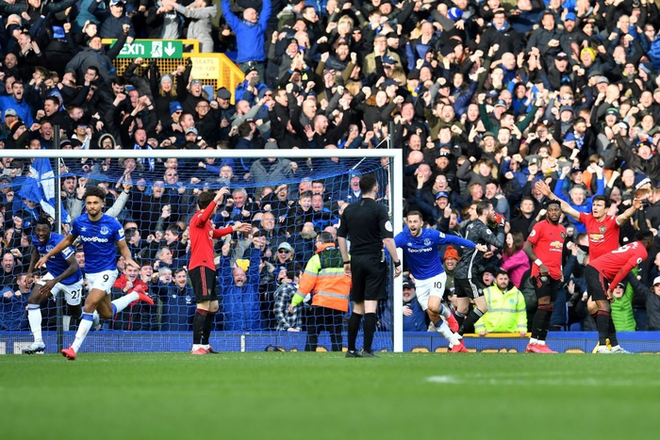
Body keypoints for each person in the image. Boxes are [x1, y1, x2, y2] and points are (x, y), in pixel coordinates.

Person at [36, 187, 154, 360]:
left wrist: (128, 258)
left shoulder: (113, 224)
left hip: (107, 271)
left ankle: (73, 348)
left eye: (95, 203)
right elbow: (67, 241)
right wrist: (48, 254)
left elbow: (124, 248)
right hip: (90, 273)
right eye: (89, 203)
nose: (92, 206)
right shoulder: (79, 223)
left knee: (89, 305)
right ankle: (134, 295)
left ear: (102, 204)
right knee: (106, 313)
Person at [394, 210, 485, 352]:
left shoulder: (431, 235)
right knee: (432, 314)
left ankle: (449, 315)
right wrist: (394, 263)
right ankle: (454, 342)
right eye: (410, 222)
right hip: (420, 282)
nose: (412, 224)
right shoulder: (403, 237)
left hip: (436, 276)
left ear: (421, 223)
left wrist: (474, 245)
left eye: (415, 221)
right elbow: (388, 247)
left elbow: (453, 239)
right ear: (407, 223)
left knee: (434, 306)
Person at [338, 174, 401, 358]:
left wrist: (346, 261)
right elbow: (388, 239)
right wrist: (397, 261)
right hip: (374, 261)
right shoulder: (379, 209)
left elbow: (341, 236)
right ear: (375, 188)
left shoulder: (349, 209)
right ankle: (367, 349)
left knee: (357, 306)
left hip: (356, 260)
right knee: (370, 306)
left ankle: (350, 349)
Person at [188, 188, 251, 354]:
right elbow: (205, 215)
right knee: (203, 305)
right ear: (211, 205)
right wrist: (217, 196)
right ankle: (196, 347)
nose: (218, 207)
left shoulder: (206, 223)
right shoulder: (198, 218)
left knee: (213, 306)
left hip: (208, 266)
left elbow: (214, 233)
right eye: (216, 204)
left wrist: (234, 228)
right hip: (199, 265)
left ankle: (205, 345)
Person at [586, 230, 655, 354]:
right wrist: (611, 288)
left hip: (597, 270)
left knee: (599, 309)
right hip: (599, 271)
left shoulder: (633, 245)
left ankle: (615, 346)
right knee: (604, 307)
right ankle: (602, 346)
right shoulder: (642, 252)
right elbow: (624, 270)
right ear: (649, 241)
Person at [23, 218, 85, 354]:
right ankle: (38, 342)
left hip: (71, 280)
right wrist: (29, 272)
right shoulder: (36, 239)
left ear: (50, 230)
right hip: (53, 275)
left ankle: (94, 317)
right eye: (38, 230)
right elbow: (36, 251)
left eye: (44, 230)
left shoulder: (59, 242)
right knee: (33, 300)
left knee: (76, 313)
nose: (40, 233)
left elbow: (74, 266)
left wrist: (55, 281)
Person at [453, 200, 506, 347]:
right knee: (483, 307)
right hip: (468, 273)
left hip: (461, 271)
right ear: (485, 212)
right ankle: (456, 338)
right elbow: (499, 243)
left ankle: (452, 341)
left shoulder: (472, 225)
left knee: (462, 309)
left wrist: (481, 256)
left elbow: (472, 248)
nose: (494, 213)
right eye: (492, 210)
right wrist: (501, 227)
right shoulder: (481, 227)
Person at [289, 231, 350, 352]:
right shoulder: (346, 257)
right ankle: (338, 363)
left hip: (321, 302)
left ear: (321, 242)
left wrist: (294, 302)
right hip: (339, 304)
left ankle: (308, 360)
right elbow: (353, 279)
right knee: (336, 335)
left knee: (313, 333)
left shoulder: (316, 259)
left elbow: (306, 284)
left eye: (316, 241)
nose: (315, 244)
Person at [523, 199, 565, 353]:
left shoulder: (562, 230)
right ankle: (533, 342)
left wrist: (560, 270)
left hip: (555, 273)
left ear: (561, 212)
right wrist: (540, 264)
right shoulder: (539, 226)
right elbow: (527, 248)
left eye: (556, 210)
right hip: (541, 272)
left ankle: (541, 343)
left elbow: (558, 252)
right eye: (551, 210)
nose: (554, 212)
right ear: (547, 212)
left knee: (550, 308)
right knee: (544, 304)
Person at [474, 269, 527, 336]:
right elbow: (478, 312)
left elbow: (521, 314)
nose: (503, 281)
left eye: (505, 279)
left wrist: (522, 329)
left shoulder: (517, 294)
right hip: (488, 334)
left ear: (509, 280)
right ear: (495, 280)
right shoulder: (486, 292)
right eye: (501, 279)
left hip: (511, 334)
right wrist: (480, 329)